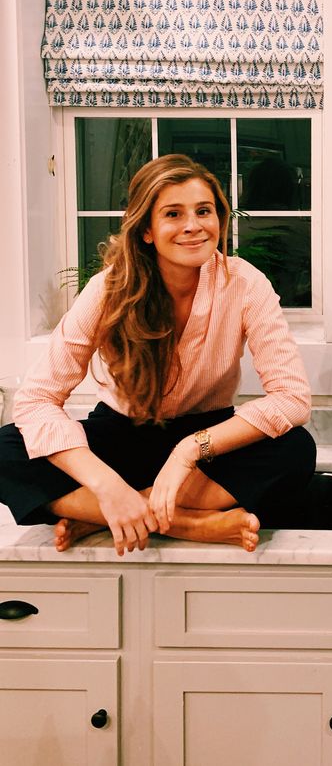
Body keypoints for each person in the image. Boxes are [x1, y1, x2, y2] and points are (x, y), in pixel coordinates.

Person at [0, 154, 314, 556]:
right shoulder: (108, 289)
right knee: (7, 448)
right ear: (147, 230)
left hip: (205, 441)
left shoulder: (246, 284)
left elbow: (291, 398)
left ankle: (102, 516)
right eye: (172, 214)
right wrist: (105, 485)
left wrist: (188, 451)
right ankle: (184, 523)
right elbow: (37, 398)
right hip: (119, 435)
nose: (193, 226)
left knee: (296, 448)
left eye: (204, 211)